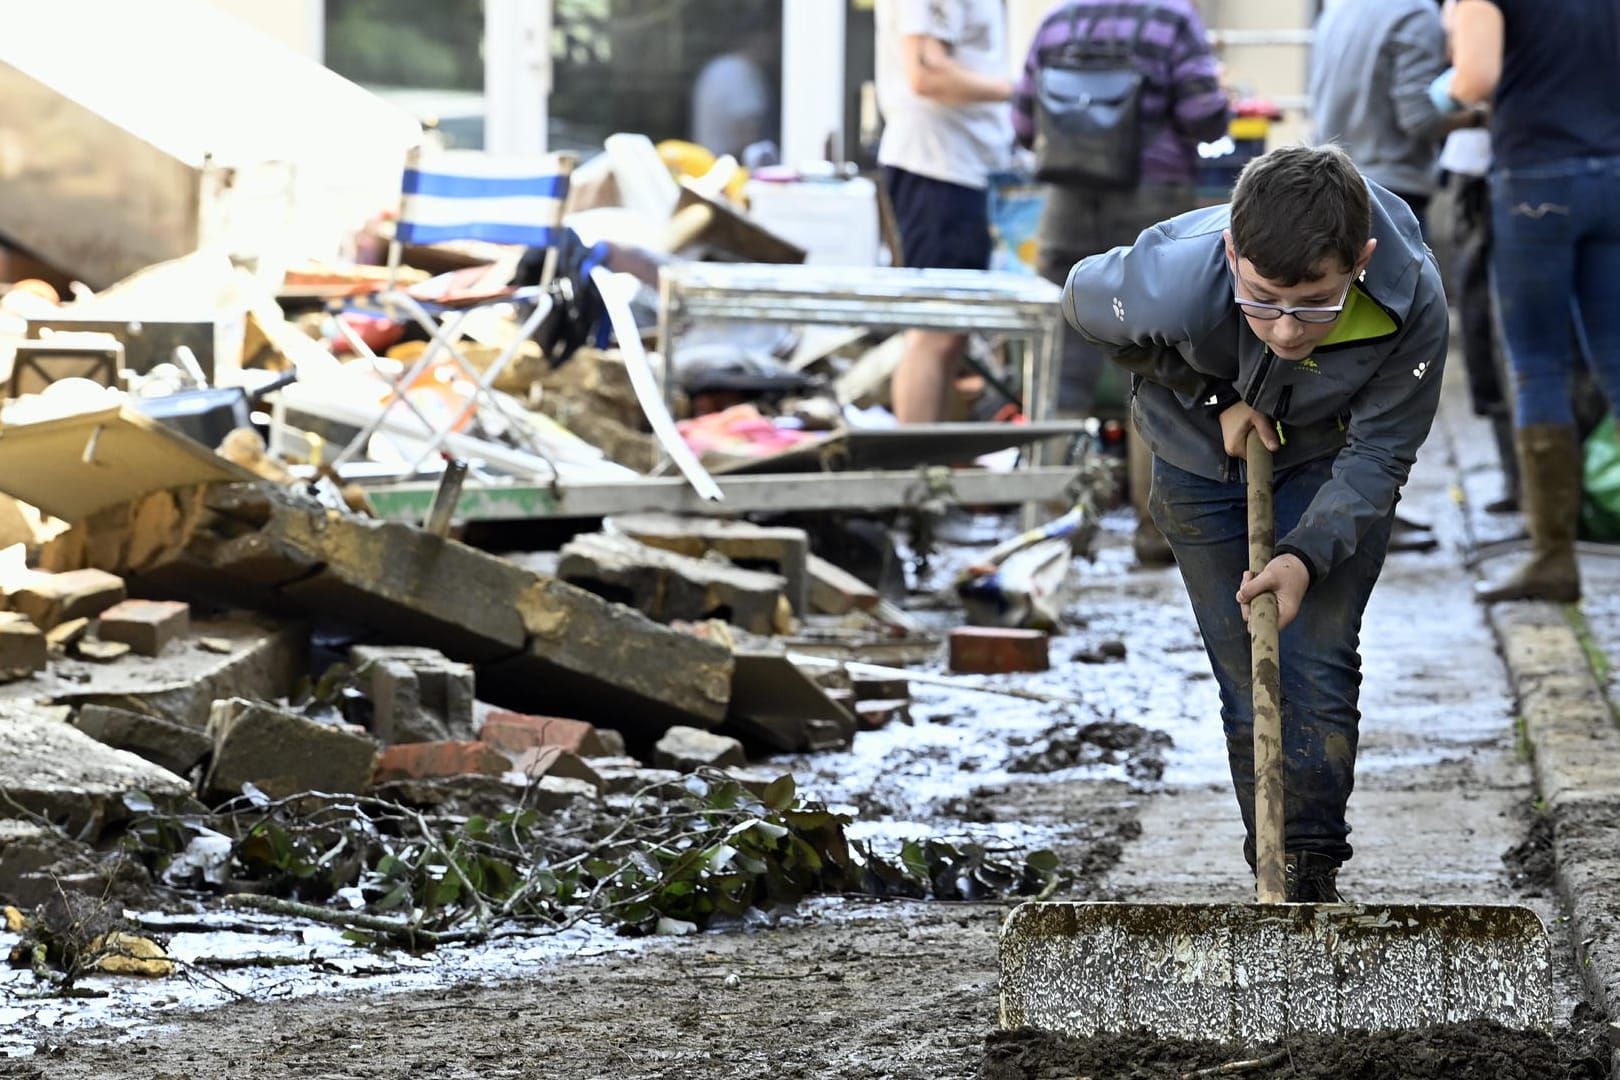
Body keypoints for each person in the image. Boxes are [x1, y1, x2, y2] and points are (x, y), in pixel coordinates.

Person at [1063, 144, 1449, 900]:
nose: (1285, 330)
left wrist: (1306, 556)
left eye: (1316, 303)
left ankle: (1308, 876)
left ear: (1361, 259)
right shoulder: (1173, 279)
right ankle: (1268, 872)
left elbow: (1382, 452)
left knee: (1318, 655)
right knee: (1250, 670)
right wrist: (1215, 396)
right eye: (1263, 299)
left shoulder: (1414, 302)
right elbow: (1080, 304)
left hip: (1329, 462)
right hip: (1198, 458)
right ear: (1233, 253)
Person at [1012, 0, 1229, 566]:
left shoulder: (1060, 21)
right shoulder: (1172, 20)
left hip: (1064, 207)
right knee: (1158, 371)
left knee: (1057, 375)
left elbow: (1021, 122)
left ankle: (1043, 532)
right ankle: (1156, 533)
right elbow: (1207, 115)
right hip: (1149, 212)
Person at [1439, 0, 1620, 604]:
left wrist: (1441, 89)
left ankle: (1553, 559)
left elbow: (1475, 80)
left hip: (1536, 180)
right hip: (1613, 174)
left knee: (1539, 364)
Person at [874, 0, 1014, 423]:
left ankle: (930, 463)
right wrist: (1025, 90)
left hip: (960, 165)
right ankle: (917, 473)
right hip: (937, 165)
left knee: (949, 333)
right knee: (934, 330)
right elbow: (925, 74)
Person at [1308, 0, 1473, 235]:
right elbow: (1420, 118)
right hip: (1391, 193)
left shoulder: (1339, 9)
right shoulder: (1415, 13)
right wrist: (1479, 118)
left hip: (1330, 181)